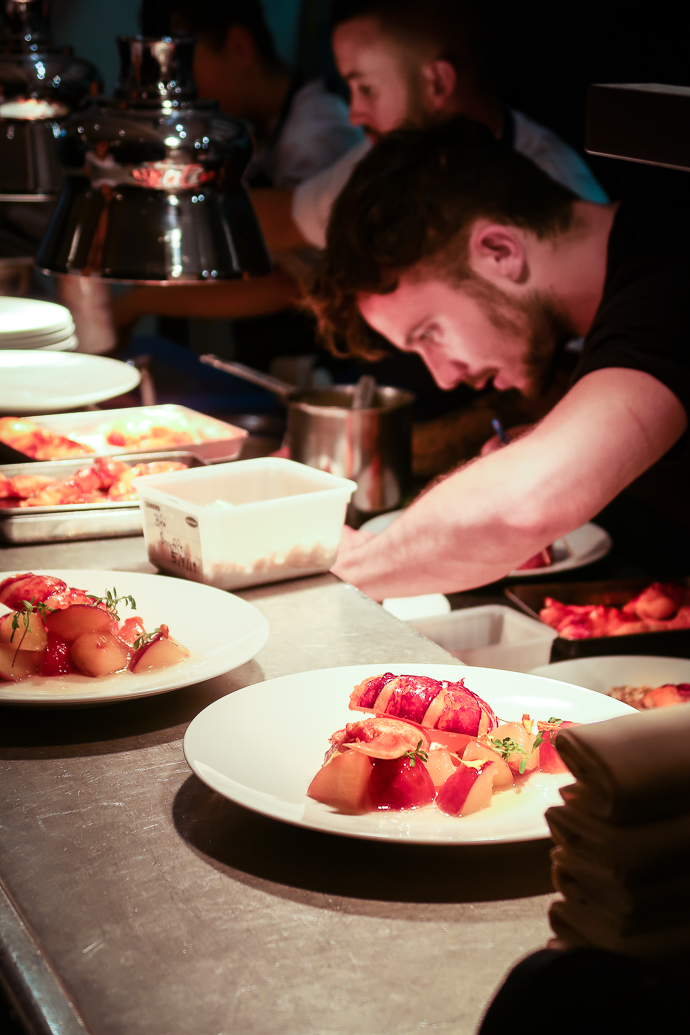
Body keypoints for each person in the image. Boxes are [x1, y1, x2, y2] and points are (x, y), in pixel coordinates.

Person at [306, 117, 689, 599]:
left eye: (430, 334)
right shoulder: (643, 266)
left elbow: (524, 505)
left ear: (499, 251)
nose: (444, 378)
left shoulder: (671, 274)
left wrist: (355, 571)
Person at [114, 0, 607, 332]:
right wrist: (128, 218)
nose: (353, 114)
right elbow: (284, 217)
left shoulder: (555, 188)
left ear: (437, 82)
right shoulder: (379, 162)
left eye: (365, 87)